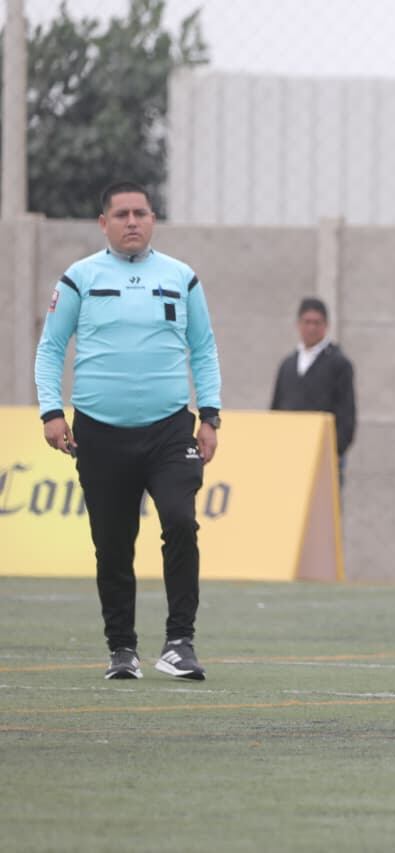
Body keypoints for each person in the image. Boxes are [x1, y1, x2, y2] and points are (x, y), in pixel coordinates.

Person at [34, 180, 223, 681]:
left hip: (168, 431)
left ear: (154, 219)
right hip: (99, 433)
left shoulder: (181, 277)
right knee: (113, 544)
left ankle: (180, 643)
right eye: (121, 214)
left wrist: (210, 416)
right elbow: (51, 347)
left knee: (180, 522)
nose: (132, 221)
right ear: (103, 223)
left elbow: (203, 348)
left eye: (140, 212)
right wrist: (51, 412)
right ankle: (122, 649)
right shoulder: (80, 278)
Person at [269, 297, 357, 486]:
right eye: (307, 322)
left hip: (323, 455)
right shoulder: (288, 365)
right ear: (298, 325)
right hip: (289, 454)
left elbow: (347, 413)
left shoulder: (339, 364)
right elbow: (276, 407)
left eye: (317, 323)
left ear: (326, 326)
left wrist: (334, 450)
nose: (311, 328)